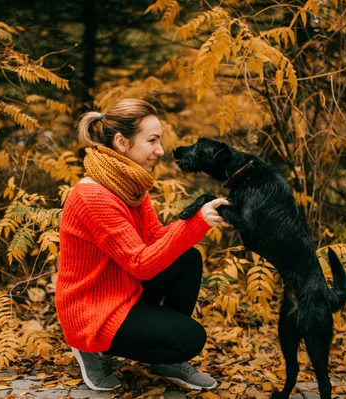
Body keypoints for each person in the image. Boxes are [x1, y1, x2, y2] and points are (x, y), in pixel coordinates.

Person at [55, 98, 230, 391]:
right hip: (91, 311)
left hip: (121, 289)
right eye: (152, 141)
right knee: (190, 340)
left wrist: (201, 219)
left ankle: (165, 359)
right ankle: (92, 348)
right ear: (122, 142)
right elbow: (141, 263)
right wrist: (196, 222)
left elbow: (154, 240)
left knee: (187, 259)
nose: (160, 151)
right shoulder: (93, 196)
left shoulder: (129, 185)